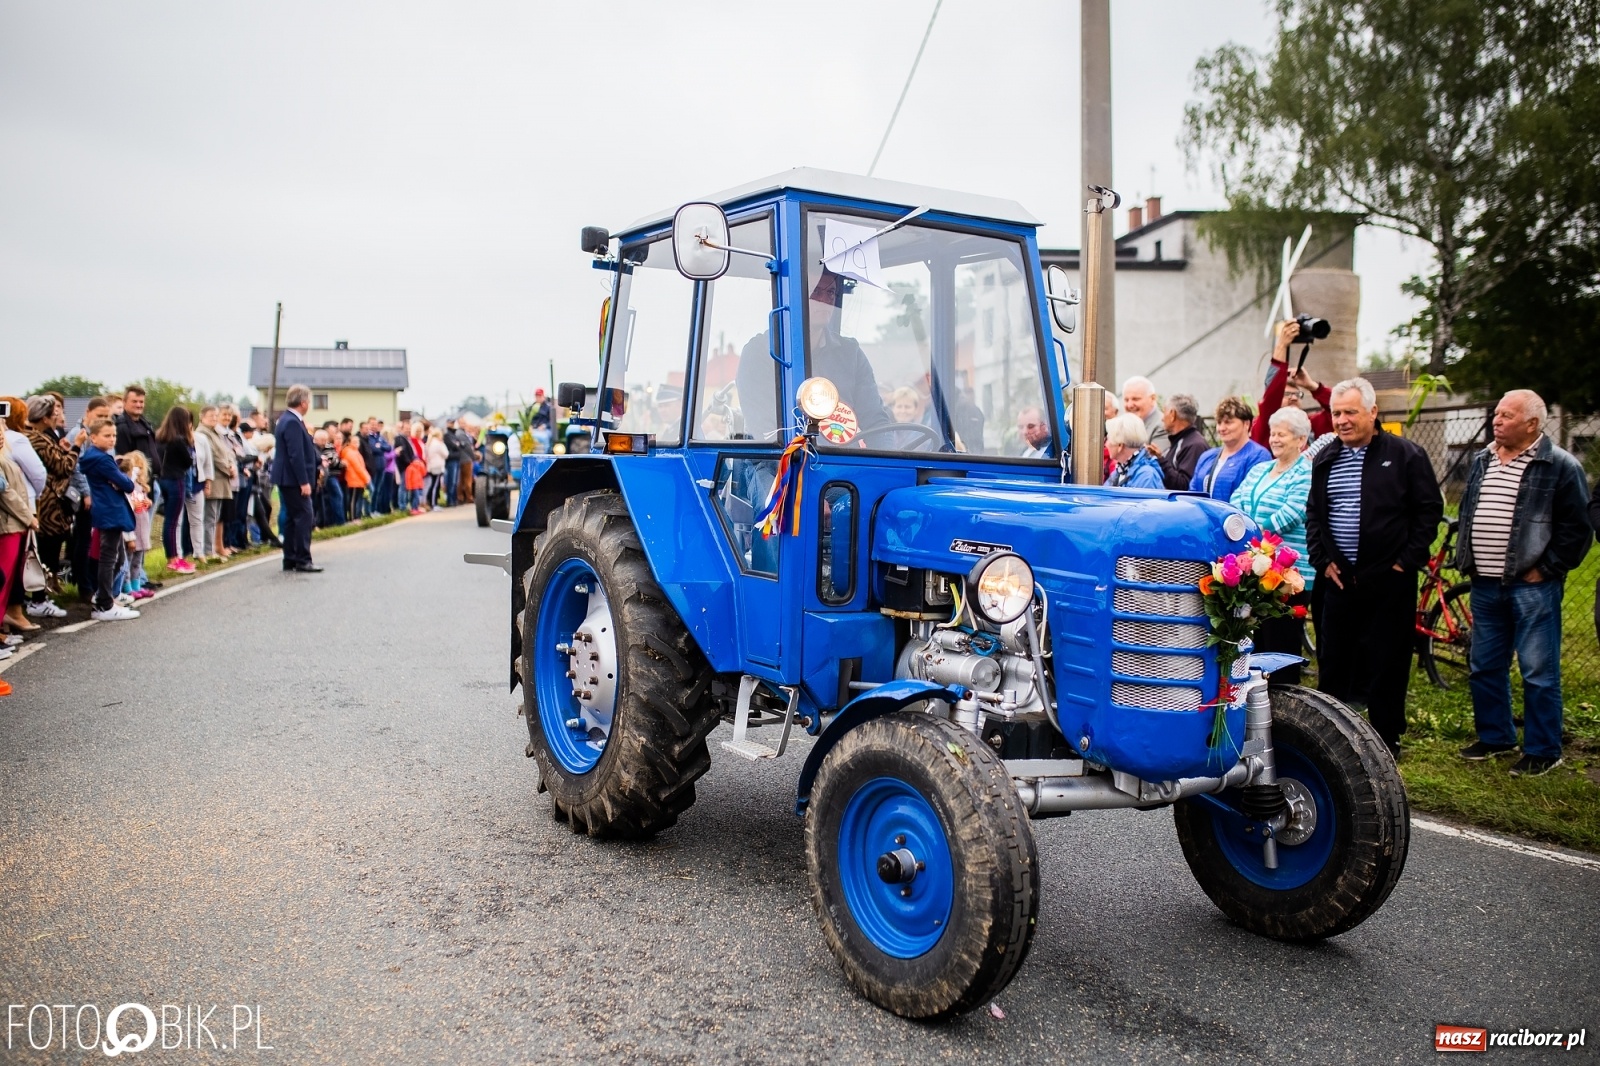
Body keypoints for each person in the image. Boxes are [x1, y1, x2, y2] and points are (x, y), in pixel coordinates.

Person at [1453, 390, 1593, 777]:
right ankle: (1496, 736)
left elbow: (1577, 529)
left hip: (1533, 586)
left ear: (1533, 424)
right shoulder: (1484, 459)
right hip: (1485, 582)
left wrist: (1547, 568)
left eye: (1507, 415)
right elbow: (1468, 512)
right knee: (1484, 665)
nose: (1496, 420)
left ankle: (1544, 749)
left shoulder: (1560, 465)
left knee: (1537, 670)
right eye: (1496, 413)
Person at [1304, 377, 1443, 757]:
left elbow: (1429, 511)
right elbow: (1314, 514)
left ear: (1373, 412)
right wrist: (1323, 560)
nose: (1343, 420)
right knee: (1333, 661)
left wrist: (1405, 562)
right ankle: (1331, 740)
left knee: (1387, 661)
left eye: (1351, 411)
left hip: (1389, 581)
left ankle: (1385, 740)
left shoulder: (1405, 455)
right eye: (1336, 413)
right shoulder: (1326, 456)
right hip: (1339, 579)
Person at [1229, 407, 1318, 685]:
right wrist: (1251, 534)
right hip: (1258, 566)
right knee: (1261, 636)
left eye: (1283, 434)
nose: (1275, 439)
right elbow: (1236, 500)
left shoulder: (1304, 472)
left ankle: (1286, 696)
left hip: (1291, 572)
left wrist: (1252, 532)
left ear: (1300, 440)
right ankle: (1260, 696)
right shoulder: (1260, 469)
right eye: (1272, 433)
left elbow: (1292, 513)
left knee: (1283, 639)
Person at [77, 418, 139, 621]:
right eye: (107, 435)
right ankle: (105, 603)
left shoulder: (93, 457)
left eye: (114, 435)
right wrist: (123, 481)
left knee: (115, 557)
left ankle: (105, 597)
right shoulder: (102, 459)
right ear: (93, 437)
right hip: (110, 510)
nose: (112, 439)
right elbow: (127, 484)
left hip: (105, 509)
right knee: (109, 557)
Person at [23, 396, 75, 617]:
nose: (56, 417)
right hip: (48, 506)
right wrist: (76, 448)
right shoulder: (37, 439)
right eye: (53, 414)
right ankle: (38, 598)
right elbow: (63, 467)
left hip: (46, 503)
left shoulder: (35, 438)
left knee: (46, 550)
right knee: (46, 551)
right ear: (44, 417)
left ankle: (42, 593)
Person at [1252, 320, 1334, 446]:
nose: (1294, 398)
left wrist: (1313, 387)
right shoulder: (1266, 427)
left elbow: (1338, 408)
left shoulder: (1310, 426)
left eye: (1298, 394)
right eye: (1287, 394)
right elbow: (1271, 397)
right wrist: (1281, 346)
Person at [272, 384, 321, 573]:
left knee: (293, 518)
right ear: (303, 402)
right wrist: (304, 482)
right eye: (308, 400)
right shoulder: (292, 421)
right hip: (293, 479)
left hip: (287, 478)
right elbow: (296, 455)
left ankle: (290, 558)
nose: (308, 404)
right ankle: (302, 559)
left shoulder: (287, 419)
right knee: (304, 516)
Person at [0, 421, 41, 636]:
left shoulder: (5, 457)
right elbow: (6, 493)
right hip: (8, 524)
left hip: (14, 523)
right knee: (2, 580)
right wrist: (28, 517)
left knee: (6, 581)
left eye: (1, 429)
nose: (1, 434)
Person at [1190, 397, 1270, 501]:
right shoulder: (1207, 456)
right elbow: (1192, 493)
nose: (1222, 428)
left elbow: (1250, 498)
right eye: (1219, 423)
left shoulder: (1258, 456)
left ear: (1246, 424)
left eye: (1228, 422)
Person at [153, 405, 198, 573]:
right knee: (172, 521)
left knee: (168, 522)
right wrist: (190, 442)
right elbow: (188, 462)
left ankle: (172, 556)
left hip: (162, 479)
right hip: (176, 480)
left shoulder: (159, 437)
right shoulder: (179, 440)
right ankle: (173, 558)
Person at [196, 405, 236, 558]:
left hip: (221, 480)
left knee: (215, 516)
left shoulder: (215, 433)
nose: (213, 418)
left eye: (215, 415)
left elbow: (227, 452)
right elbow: (213, 456)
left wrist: (232, 465)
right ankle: (207, 550)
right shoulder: (202, 433)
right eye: (210, 416)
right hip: (214, 479)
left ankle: (210, 548)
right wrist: (227, 468)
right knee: (209, 517)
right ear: (202, 417)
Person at [1155, 393, 1207, 490]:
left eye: (1164, 412)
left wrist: (1161, 460)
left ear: (1172, 414)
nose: (1162, 418)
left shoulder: (1194, 445)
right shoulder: (1181, 442)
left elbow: (1184, 486)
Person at [113, 384, 161, 479]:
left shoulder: (145, 424)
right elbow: (123, 460)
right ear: (124, 402)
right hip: (135, 481)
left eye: (141, 402)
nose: (138, 405)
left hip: (150, 479)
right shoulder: (122, 427)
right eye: (134, 401)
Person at [1105, 413, 1164, 488]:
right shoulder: (1121, 470)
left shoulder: (1146, 476)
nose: (1106, 444)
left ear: (1120, 445)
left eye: (1108, 439)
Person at [1121, 376, 1168, 452]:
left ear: (1152, 398)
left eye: (1135, 399)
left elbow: (1156, 460)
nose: (1129, 405)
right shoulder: (1125, 425)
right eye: (1126, 400)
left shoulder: (1161, 426)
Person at [425, 427, 449, 507]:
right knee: (435, 485)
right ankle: (433, 503)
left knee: (432, 484)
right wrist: (442, 443)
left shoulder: (430, 443)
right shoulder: (438, 444)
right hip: (437, 467)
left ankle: (430, 501)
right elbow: (446, 454)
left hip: (432, 466)